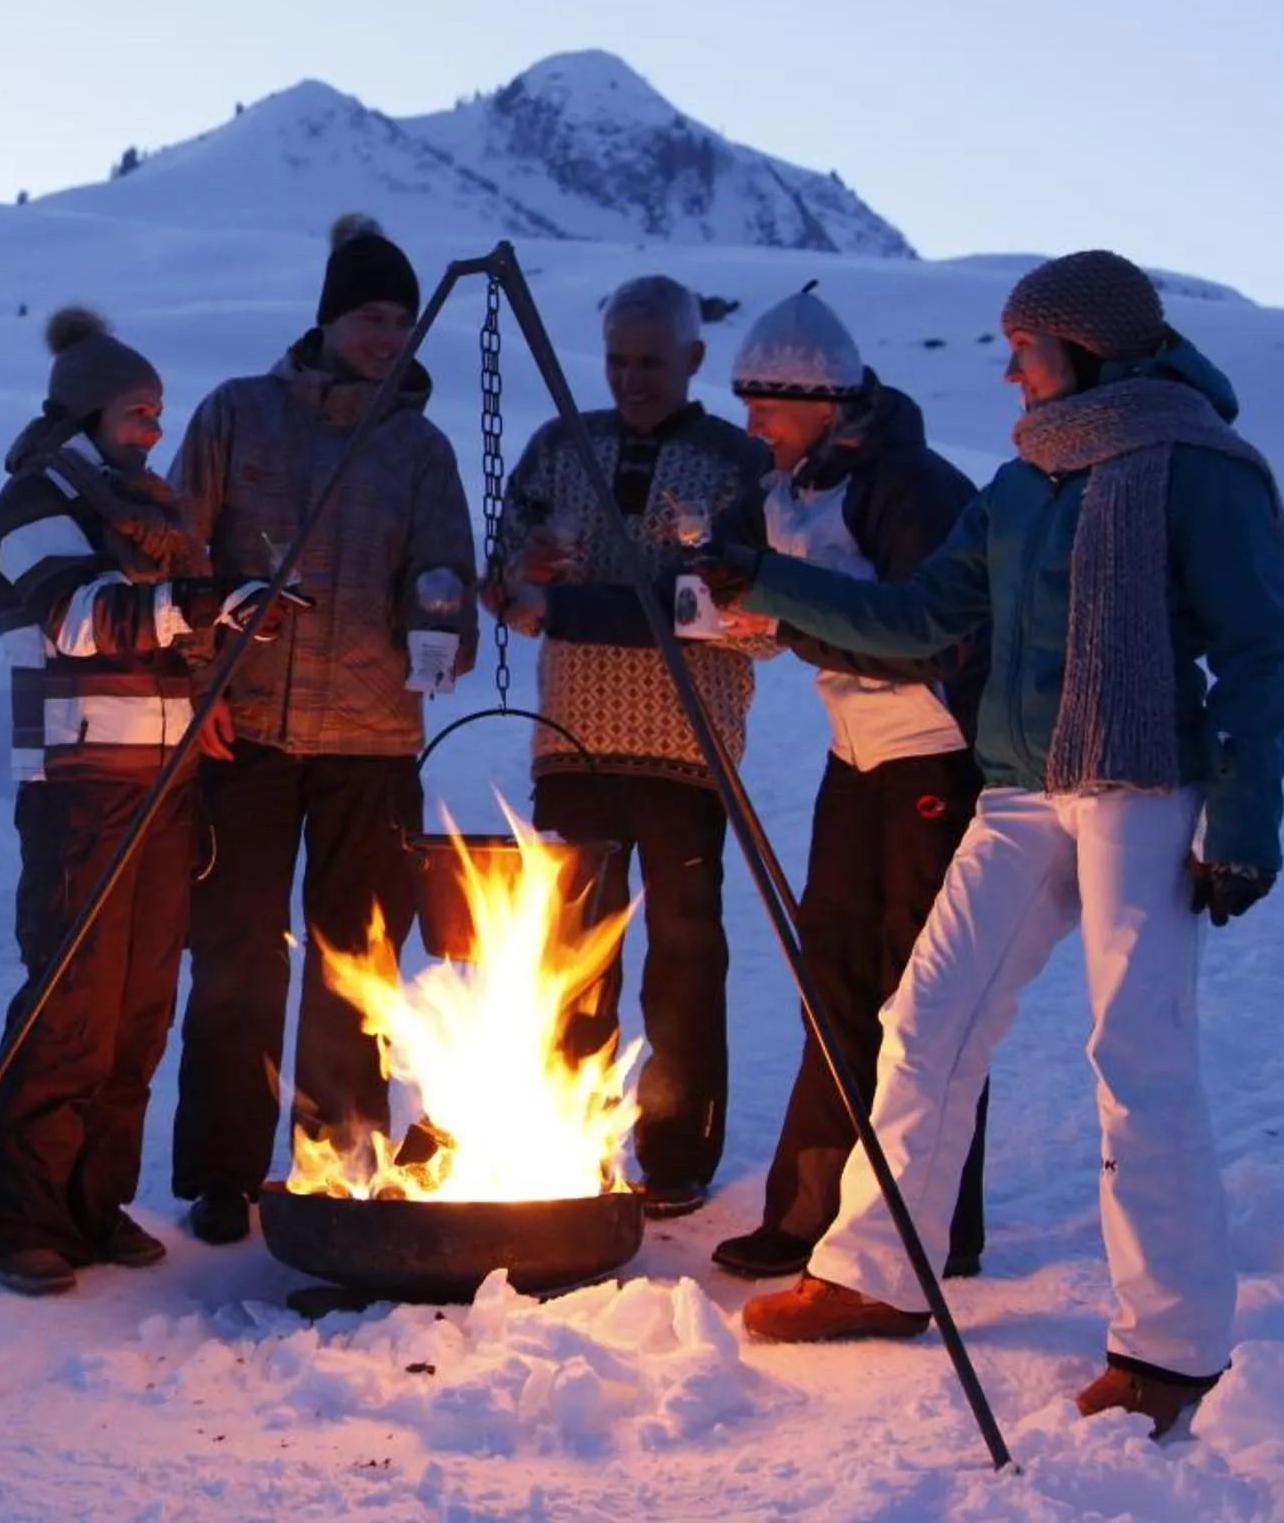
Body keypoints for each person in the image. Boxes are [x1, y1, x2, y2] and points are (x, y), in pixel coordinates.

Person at [706, 251, 1284, 1437]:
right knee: (928, 1017)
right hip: (1022, 784)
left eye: (1024, 348)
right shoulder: (1024, 482)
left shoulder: (1198, 465)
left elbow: (1255, 649)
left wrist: (1242, 816)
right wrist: (766, 580)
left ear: (1084, 349)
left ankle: (1170, 1342)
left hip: (1142, 780)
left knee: (1138, 1052)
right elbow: (922, 615)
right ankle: (879, 1270)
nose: (1010, 371)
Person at [169, 213, 478, 1247]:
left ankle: (339, 1159)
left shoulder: (420, 447)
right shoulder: (238, 414)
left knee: (359, 960)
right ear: (329, 319)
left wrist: (443, 623)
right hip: (247, 729)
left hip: (373, 736)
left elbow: (445, 566)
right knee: (237, 956)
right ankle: (223, 1172)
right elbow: (178, 553)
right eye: (370, 317)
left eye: (401, 320)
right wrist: (198, 686)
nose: (387, 336)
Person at [0, 307, 290, 1295]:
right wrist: (204, 601)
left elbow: (162, 635)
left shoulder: (143, 514)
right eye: (138, 412)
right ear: (86, 412)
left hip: (163, 783)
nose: (155, 429)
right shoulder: (33, 504)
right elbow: (79, 618)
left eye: (158, 411)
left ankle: (92, 1202)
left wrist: (218, 633)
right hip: (79, 788)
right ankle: (18, 1220)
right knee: (71, 1004)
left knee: (141, 1010)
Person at [696, 284, 991, 1284]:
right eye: (746, 405)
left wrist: (784, 621)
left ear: (821, 400)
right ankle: (812, 1209)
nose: (753, 425)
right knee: (831, 982)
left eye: (766, 407)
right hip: (853, 759)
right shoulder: (787, 485)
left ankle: (932, 1222)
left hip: (935, 756)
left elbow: (927, 638)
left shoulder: (913, 487)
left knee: (923, 995)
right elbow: (726, 563)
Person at [485, 273, 774, 1218]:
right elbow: (503, 580)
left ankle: (677, 1154)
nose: (632, 378)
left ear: (693, 358)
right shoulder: (559, 447)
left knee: (684, 956)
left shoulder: (738, 464)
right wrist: (522, 574)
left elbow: (754, 617)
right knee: (570, 953)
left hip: (687, 745)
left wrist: (573, 606)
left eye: (651, 361)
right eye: (617, 360)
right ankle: (567, 1141)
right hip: (571, 743)